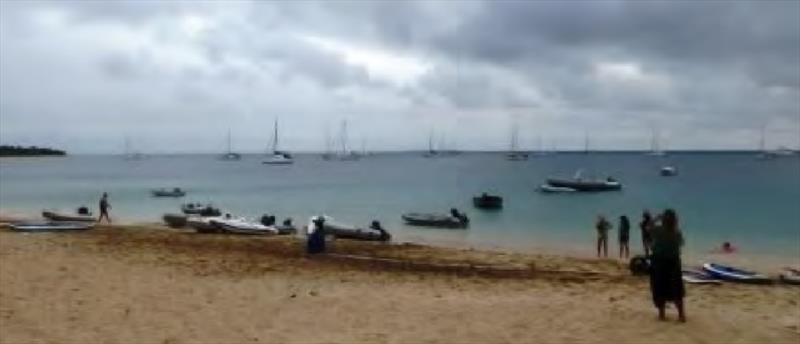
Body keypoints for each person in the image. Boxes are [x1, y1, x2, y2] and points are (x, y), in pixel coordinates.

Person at [649, 209, 686, 322]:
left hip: (659, 262)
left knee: (659, 287)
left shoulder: (658, 230)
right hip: (673, 262)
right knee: (676, 288)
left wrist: (656, 218)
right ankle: (681, 315)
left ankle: (662, 315)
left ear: (663, 219)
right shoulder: (676, 232)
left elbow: (648, 227)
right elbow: (681, 244)